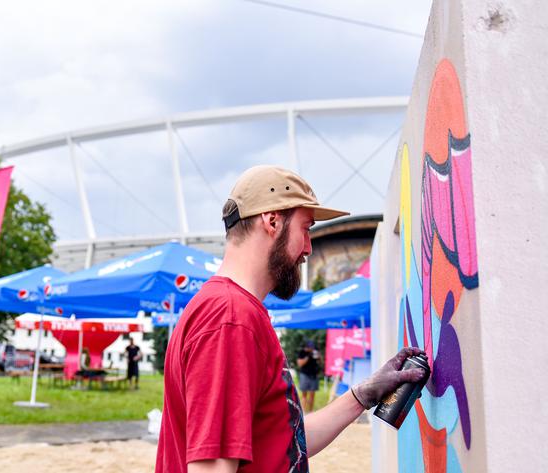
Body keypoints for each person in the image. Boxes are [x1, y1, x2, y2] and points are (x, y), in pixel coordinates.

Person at [156, 165, 426, 472]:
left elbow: (283, 443)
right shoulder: (230, 319)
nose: (308, 248)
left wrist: (363, 395)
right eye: (306, 228)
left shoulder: (235, 312)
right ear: (271, 221)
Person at [297, 339, 321, 413]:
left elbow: (320, 363)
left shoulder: (315, 352)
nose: (312, 348)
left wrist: (319, 357)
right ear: (307, 347)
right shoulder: (302, 352)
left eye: (312, 347)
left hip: (314, 375)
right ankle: (303, 412)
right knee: (304, 395)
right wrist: (308, 356)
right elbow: (300, 364)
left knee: (312, 394)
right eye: (310, 347)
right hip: (305, 375)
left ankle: (310, 411)